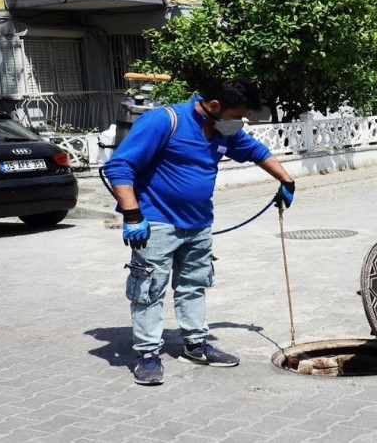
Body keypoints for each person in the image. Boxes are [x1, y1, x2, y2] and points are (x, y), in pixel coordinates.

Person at [102, 79, 296, 385]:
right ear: (215, 106)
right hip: (155, 222)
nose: (239, 124)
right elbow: (119, 166)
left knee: (194, 285)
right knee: (149, 290)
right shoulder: (165, 121)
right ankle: (148, 355)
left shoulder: (222, 130)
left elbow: (257, 152)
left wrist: (286, 180)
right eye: (237, 116)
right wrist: (132, 214)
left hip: (199, 223)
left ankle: (195, 345)